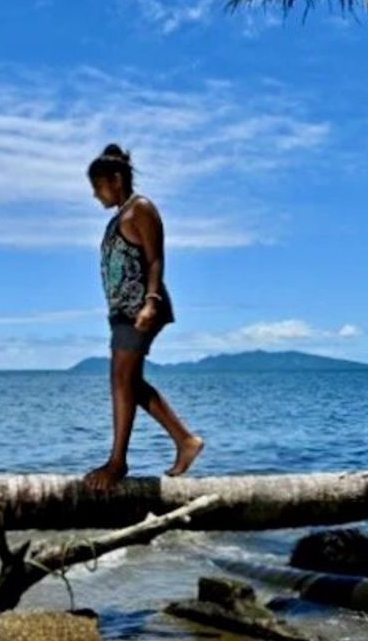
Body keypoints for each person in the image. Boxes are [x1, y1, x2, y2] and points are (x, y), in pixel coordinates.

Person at [83, 143, 204, 490]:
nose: (95, 195)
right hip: (123, 312)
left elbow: (155, 259)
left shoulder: (141, 210)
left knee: (121, 380)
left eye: (98, 187)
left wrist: (151, 300)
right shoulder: (120, 216)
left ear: (116, 179)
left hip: (140, 308)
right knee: (129, 383)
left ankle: (117, 463)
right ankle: (185, 440)